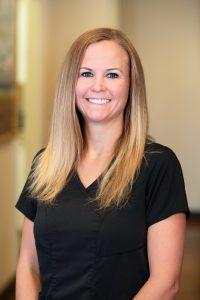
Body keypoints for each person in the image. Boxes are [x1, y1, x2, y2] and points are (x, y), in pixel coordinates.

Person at [15, 27, 190, 300]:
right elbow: (28, 265)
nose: (98, 86)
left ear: (132, 85)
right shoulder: (45, 163)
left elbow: (166, 283)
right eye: (86, 73)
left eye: (112, 74)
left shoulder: (157, 165)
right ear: (70, 84)